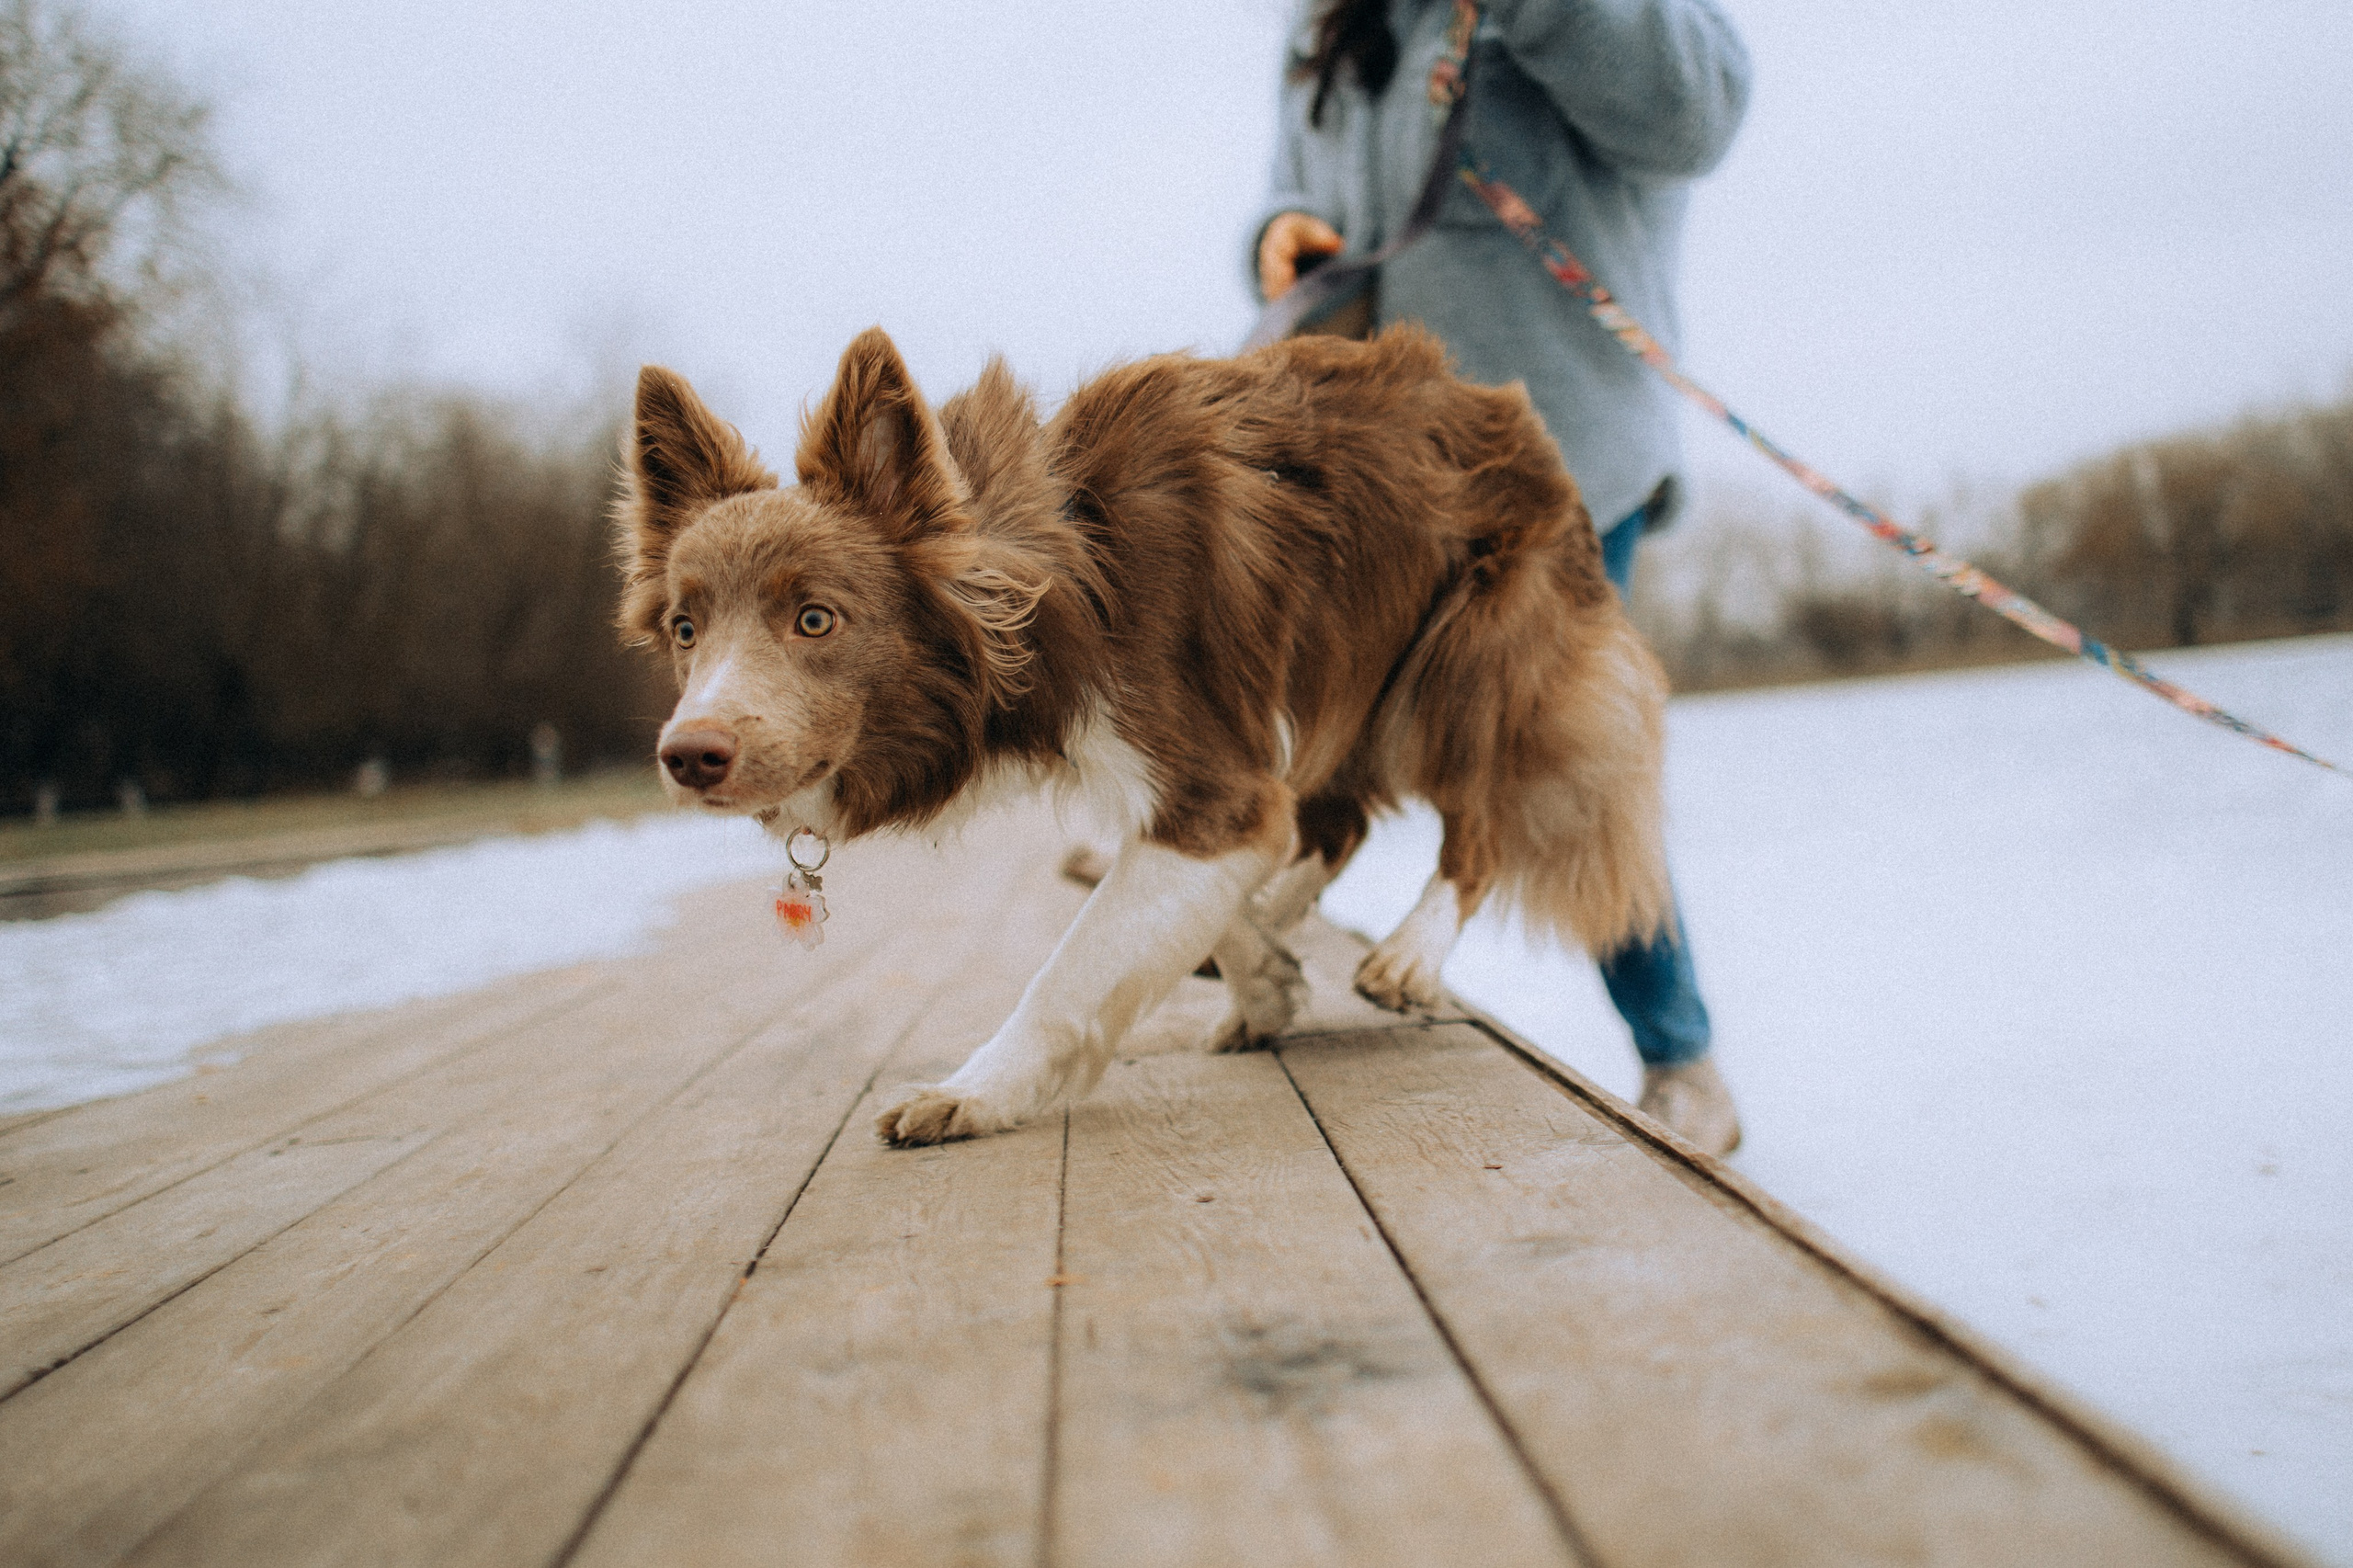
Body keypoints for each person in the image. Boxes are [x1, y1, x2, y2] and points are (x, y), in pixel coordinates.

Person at [1250, 0, 1750, 1153]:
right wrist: (1283, 229)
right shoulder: (1329, 16)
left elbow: (1694, 118)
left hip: (1557, 460)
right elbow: (1297, 177)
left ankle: (1683, 1060)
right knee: (1320, 713)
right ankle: (1249, 900)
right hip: (1376, 477)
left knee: (1554, 748)